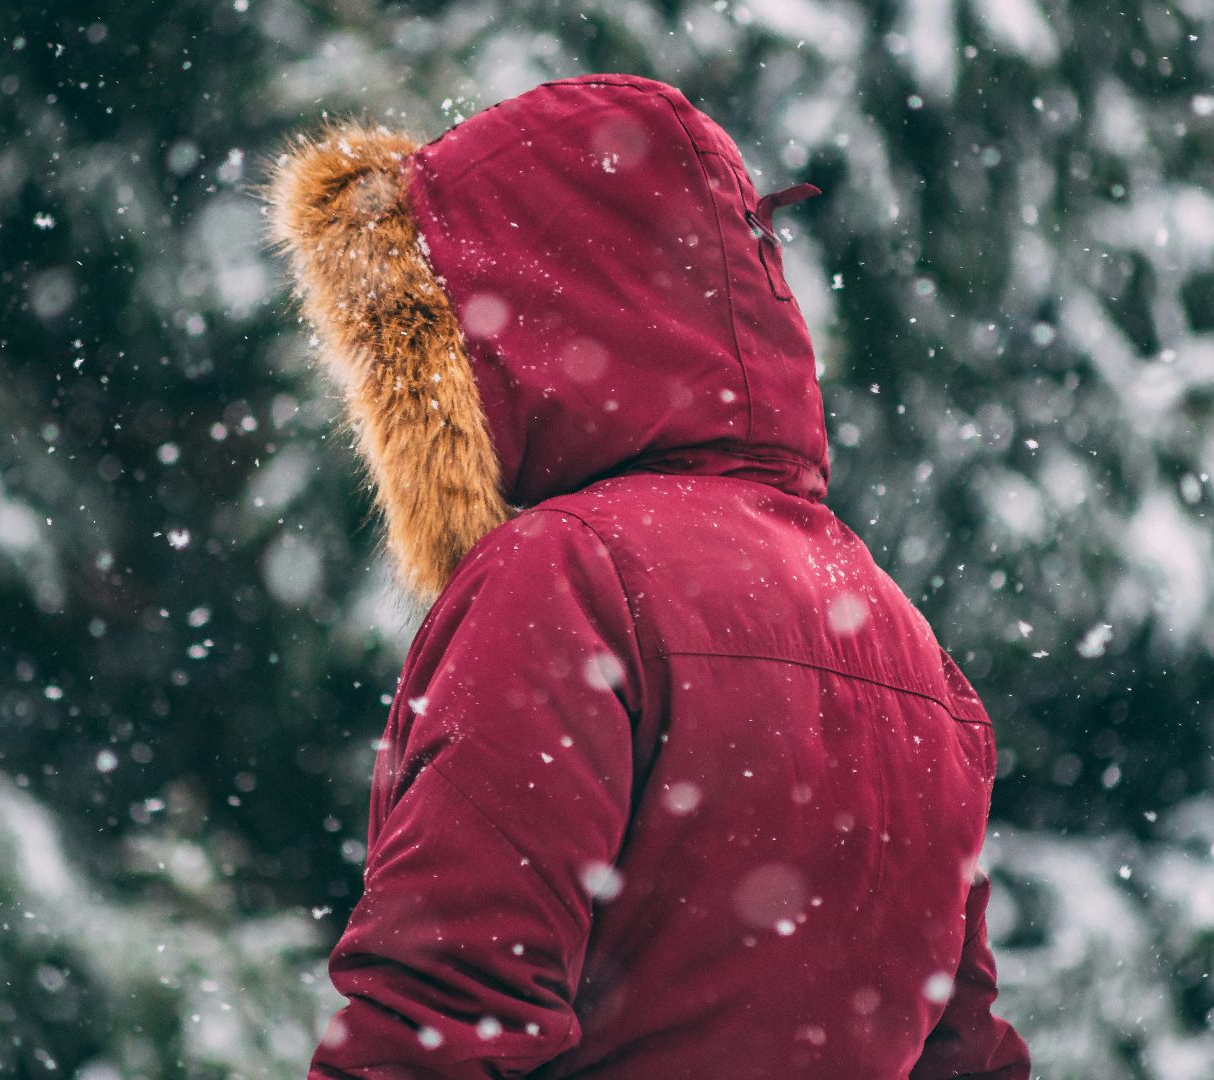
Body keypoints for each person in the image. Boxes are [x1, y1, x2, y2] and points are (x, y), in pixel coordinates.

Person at [267, 73, 1030, 1080]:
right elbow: (962, 1052)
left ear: (496, 346)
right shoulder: (900, 635)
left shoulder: (565, 577)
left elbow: (446, 1007)